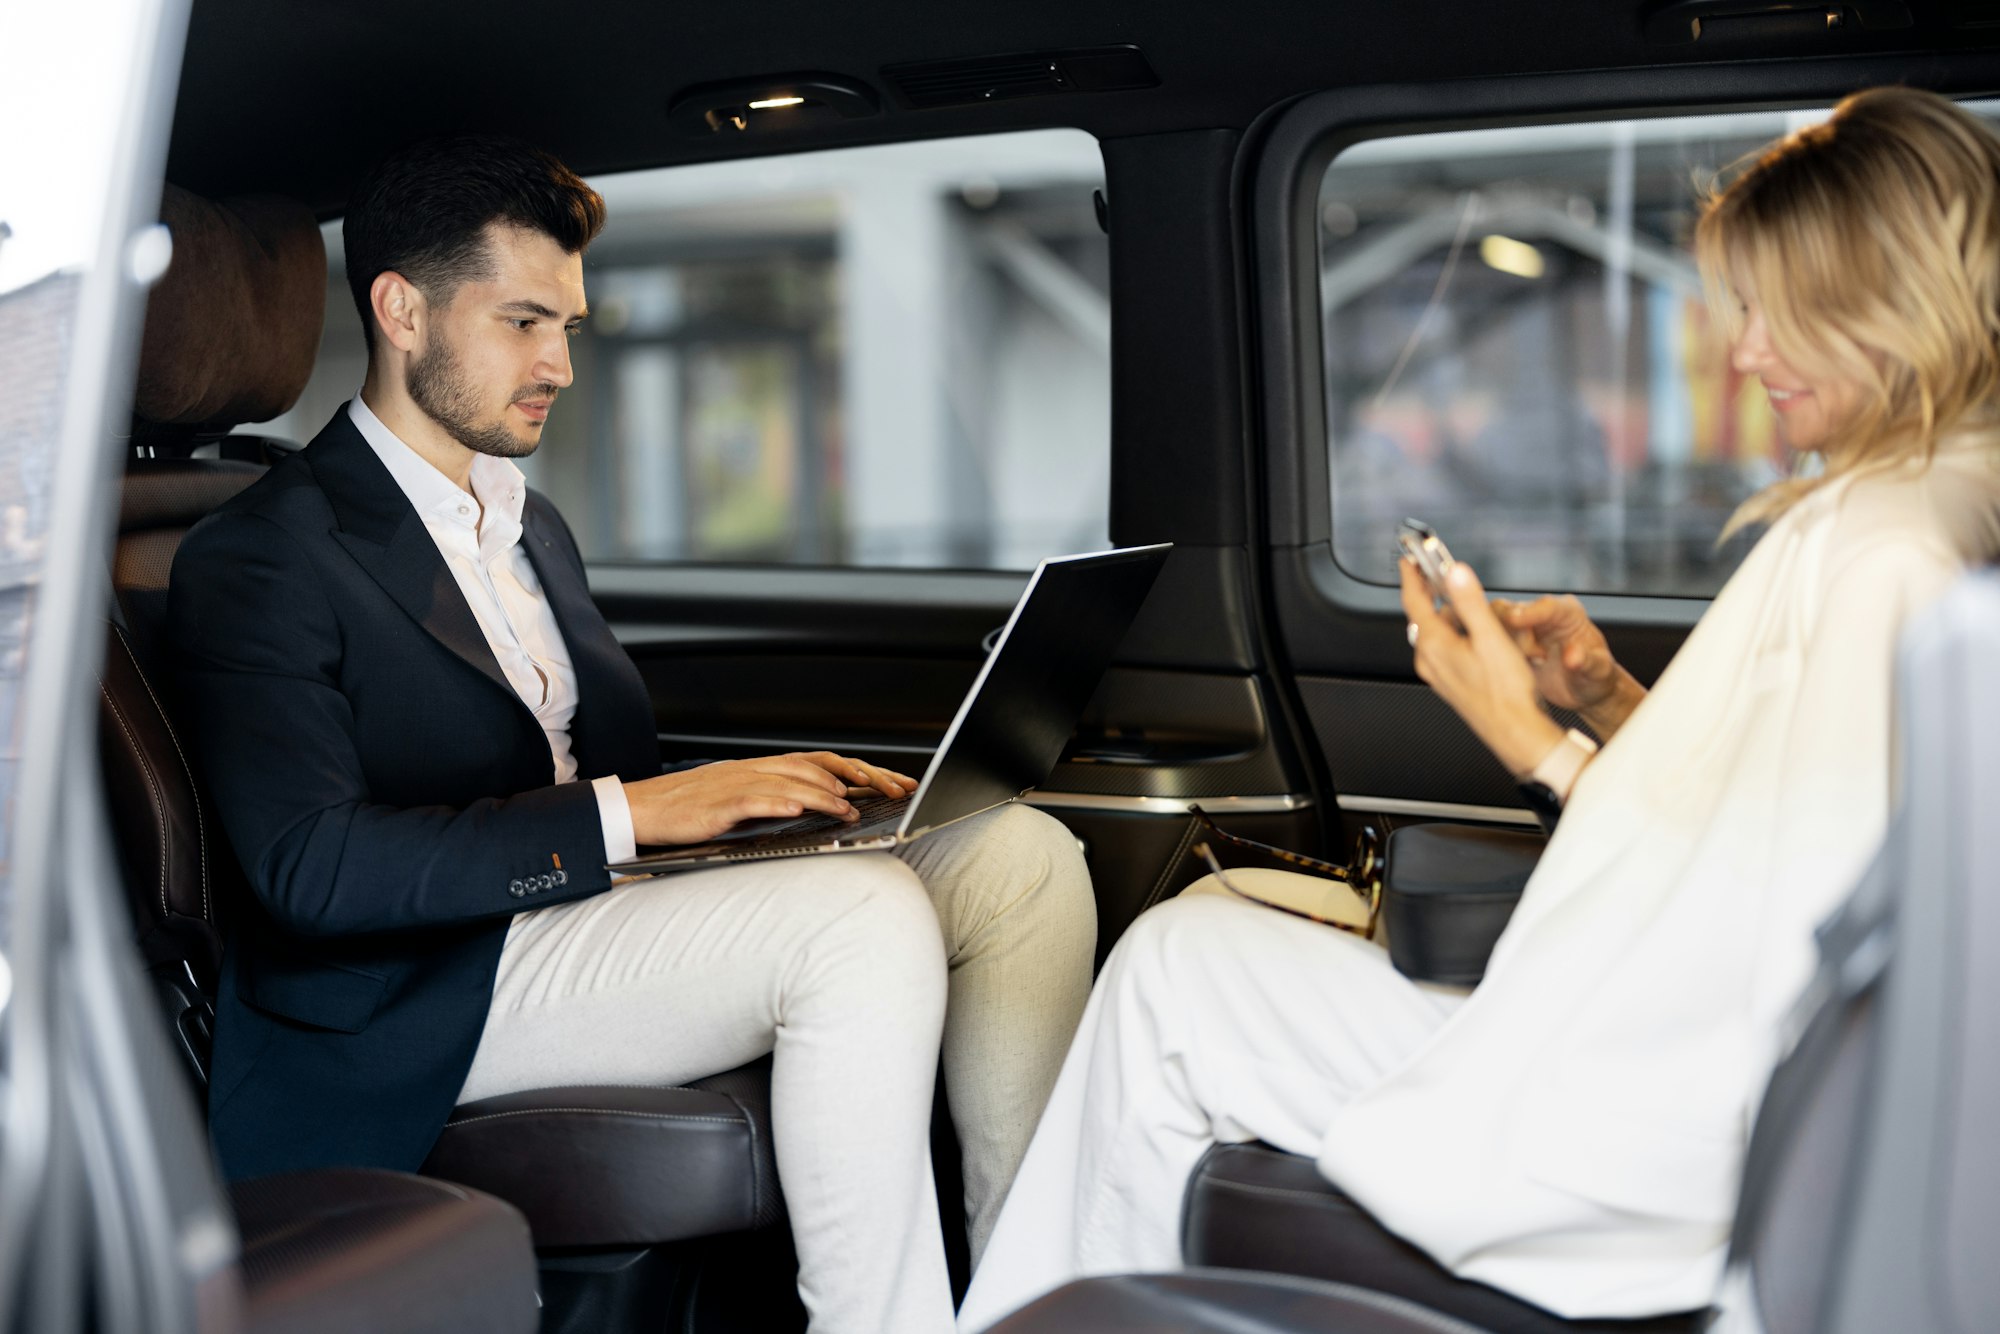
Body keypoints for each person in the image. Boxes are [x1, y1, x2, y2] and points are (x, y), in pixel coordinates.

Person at [958, 85, 2000, 1330]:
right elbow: (1766, 810)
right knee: (1190, 946)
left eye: (1775, 312)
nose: (1743, 354)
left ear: (1882, 305)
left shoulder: (1887, 551)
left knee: (1175, 976)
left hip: (1652, 1122)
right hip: (1652, 1048)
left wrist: (1528, 736)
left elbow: (1768, 929)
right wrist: (1607, 697)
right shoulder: (1911, 503)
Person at [168, 135, 1095, 1334]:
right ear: (401, 310)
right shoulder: (258, 556)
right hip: (424, 975)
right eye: (520, 322)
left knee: (1017, 857)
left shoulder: (526, 522)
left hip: (583, 901)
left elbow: (576, 756)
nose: (558, 362)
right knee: (861, 923)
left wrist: (755, 806)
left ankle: (1033, 1306)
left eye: (569, 324)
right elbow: (314, 869)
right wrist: (633, 812)